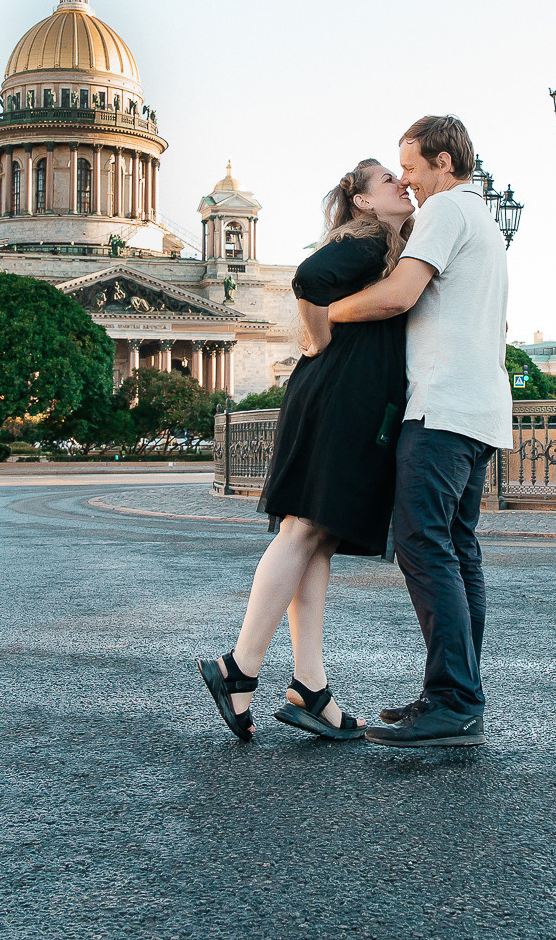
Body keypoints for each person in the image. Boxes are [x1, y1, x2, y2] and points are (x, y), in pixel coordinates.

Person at [198, 159, 415, 742]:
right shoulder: (371, 241)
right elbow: (310, 280)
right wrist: (319, 341)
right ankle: (238, 667)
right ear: (365, 202)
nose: (402, 185)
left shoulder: (381, 241)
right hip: (342, 394)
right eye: (389, 181)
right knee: (301, 531)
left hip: (339, 392)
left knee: (315, 534)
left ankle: (309, 688)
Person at [324, 115, 512, 749]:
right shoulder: (482, 219)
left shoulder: (443, 212)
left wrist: (327, 315)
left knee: (423, 547)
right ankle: (454, 693)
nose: (405, 179)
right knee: (456, 551)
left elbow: (399, 296)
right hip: (481, 410)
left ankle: (454, 700)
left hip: (441, 410)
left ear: (445, 166)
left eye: (411, 167)